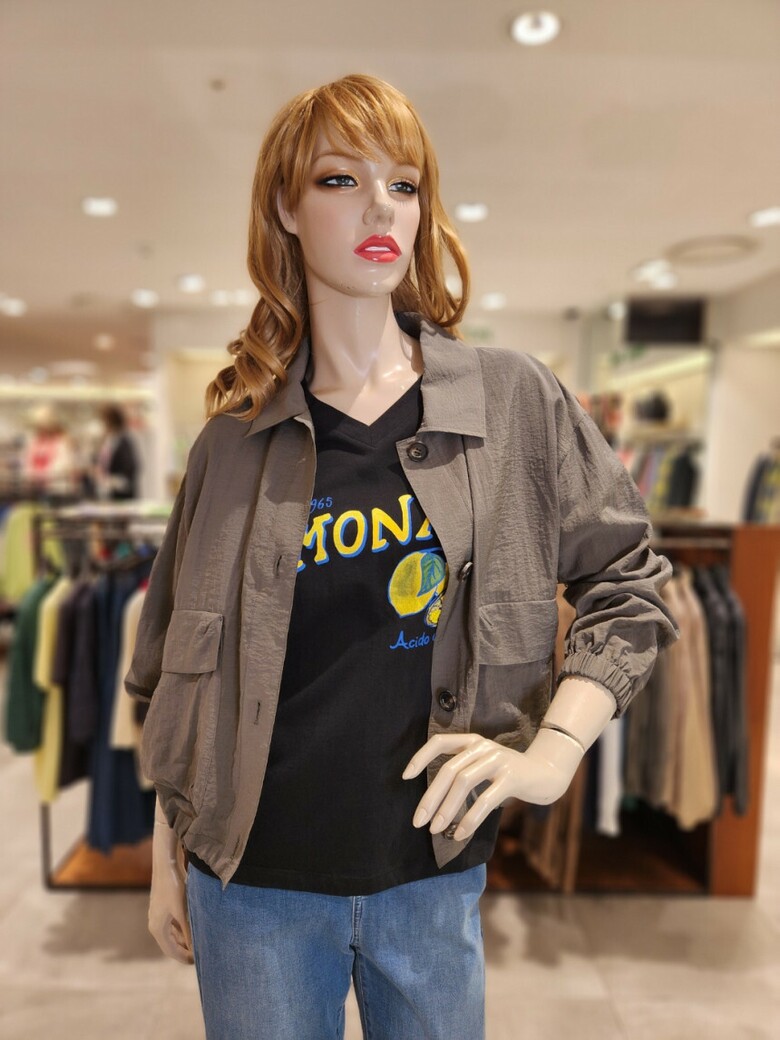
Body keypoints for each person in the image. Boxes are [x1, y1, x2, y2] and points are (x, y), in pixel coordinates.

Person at [125, 73, 678, 1040]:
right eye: (340, 180)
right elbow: (177, 668)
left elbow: (630, 582)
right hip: (249, 884)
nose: (381, 207)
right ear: (286, 210)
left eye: (405, 184)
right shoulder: (232, 443)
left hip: (429, 872)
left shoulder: (512, 402)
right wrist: (163, 854)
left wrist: (554, 753)